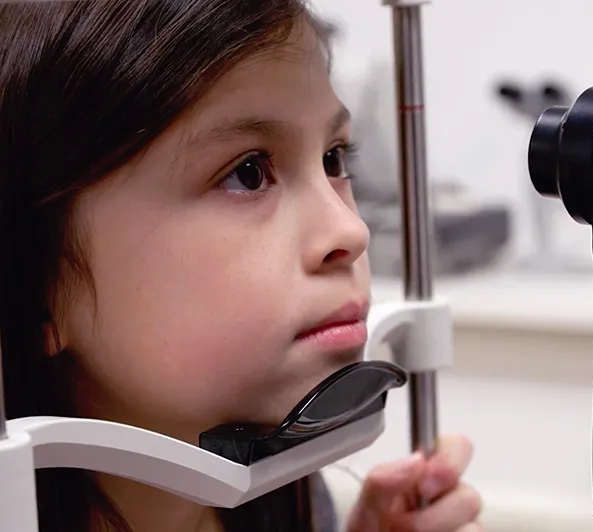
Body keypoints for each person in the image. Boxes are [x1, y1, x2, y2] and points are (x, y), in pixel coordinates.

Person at [0, 1, 483, 531]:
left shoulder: (290, 499)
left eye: (334, 159)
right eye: (248, 174)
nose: (351, 231)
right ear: (37, 289)